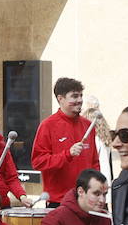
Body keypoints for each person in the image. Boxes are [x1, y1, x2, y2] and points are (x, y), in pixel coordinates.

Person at [31, 77, 96, 207]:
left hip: (86, 200)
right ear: (60, 98)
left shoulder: (88, 125)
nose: (80, 100)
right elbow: (38, 162)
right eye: (75, 96)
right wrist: (67, 154)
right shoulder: (47, 126)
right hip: (59, 201)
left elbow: (94, 162)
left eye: (81, 96)